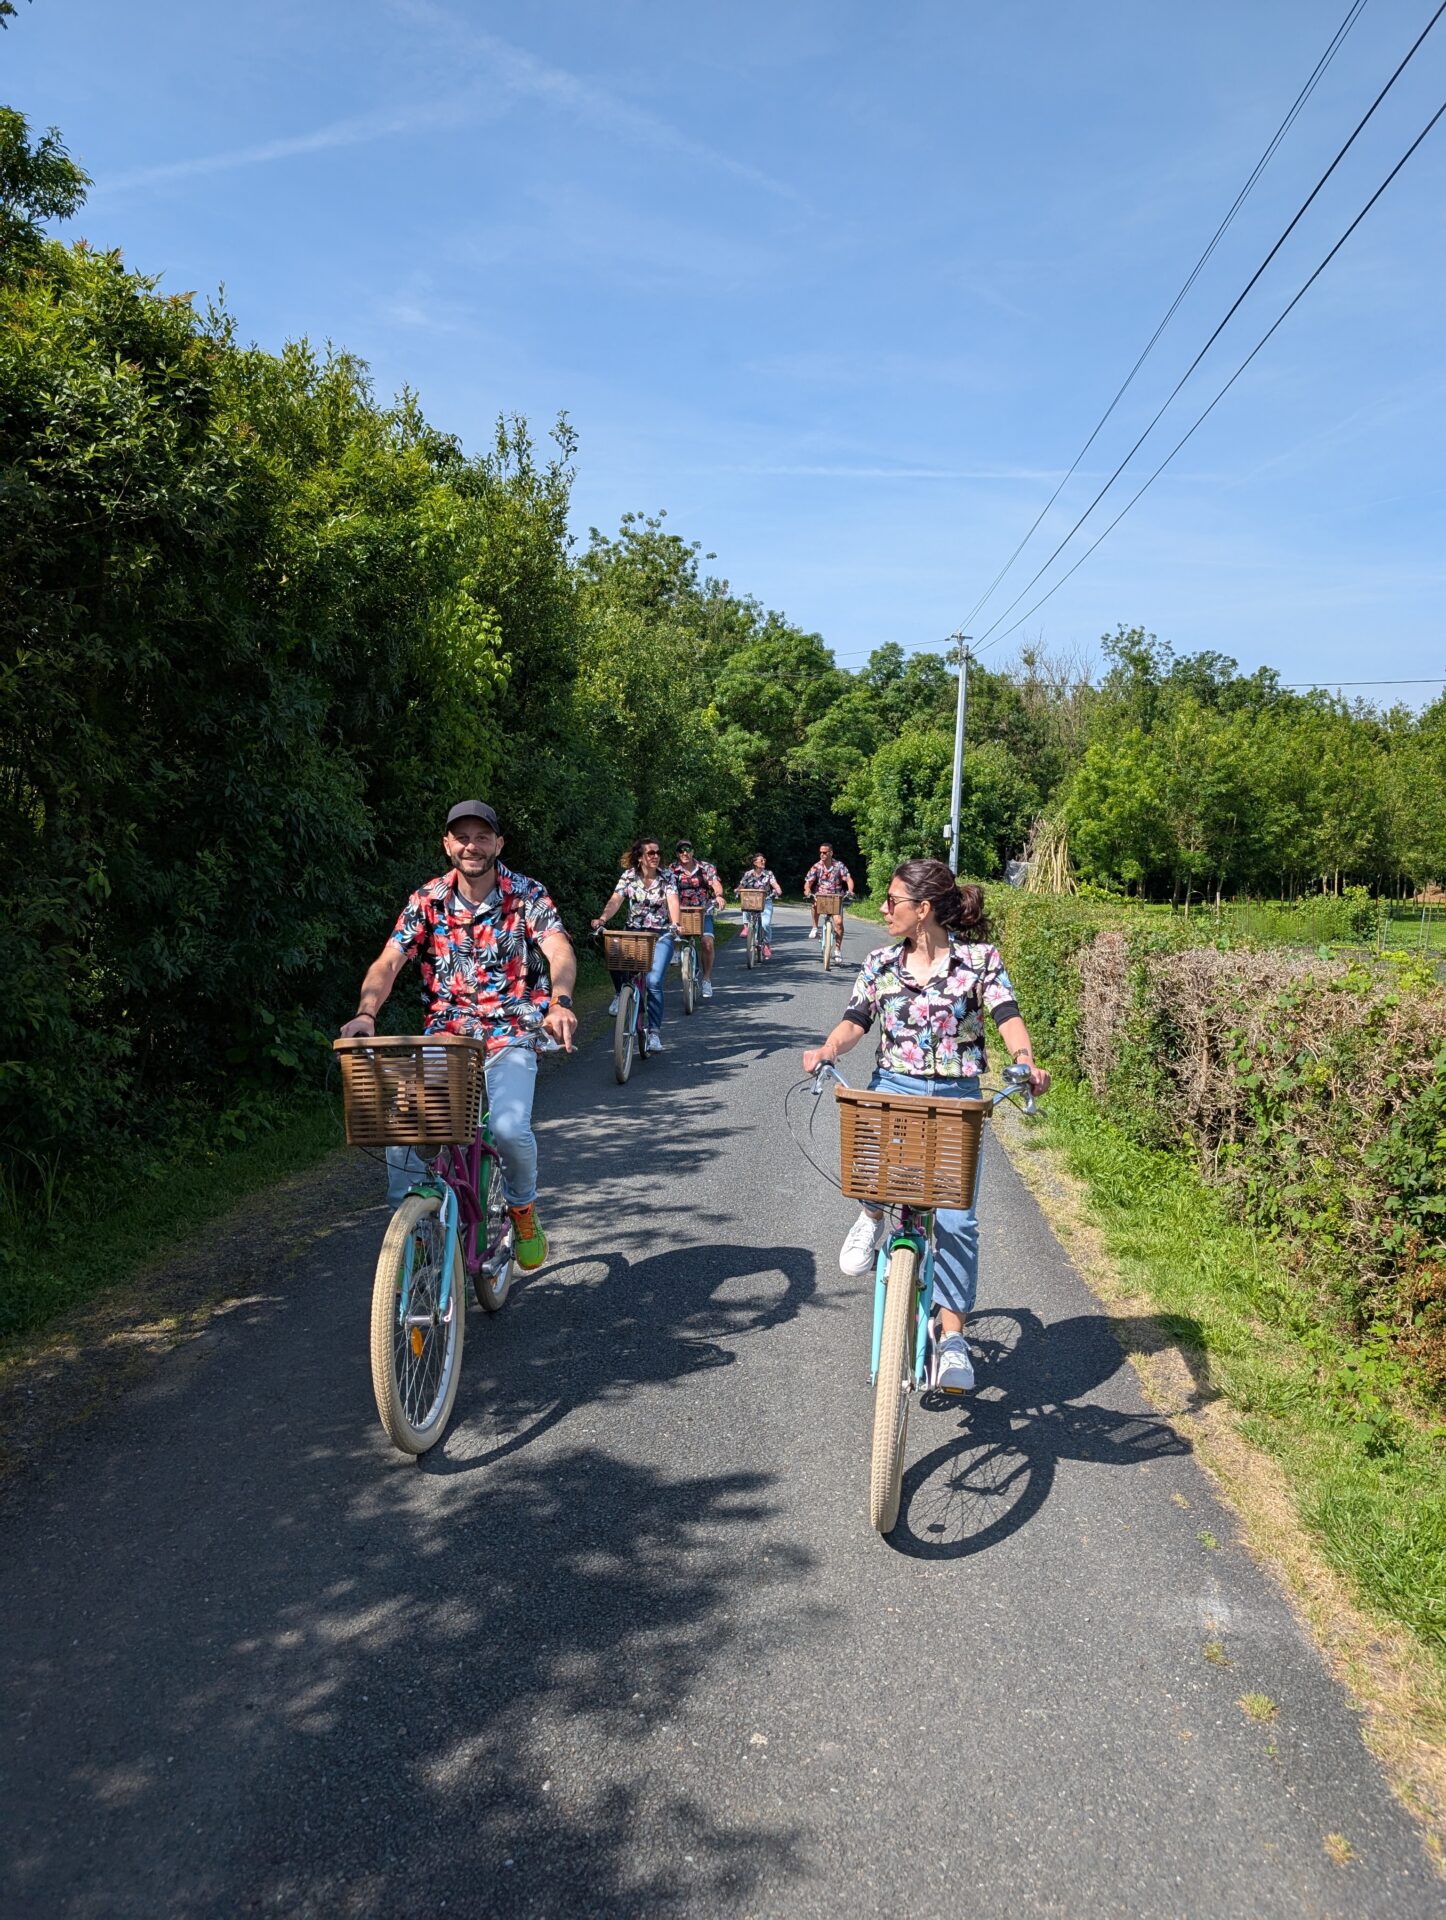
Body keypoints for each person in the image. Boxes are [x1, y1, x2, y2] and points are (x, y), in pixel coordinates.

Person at [800, 859, 1049, 1393]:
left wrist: (1025, 1061)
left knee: (957, 1218)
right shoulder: (880, 963)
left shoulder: (979, 961)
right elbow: (855, 1021)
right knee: (878, 1173)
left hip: (958, 1097)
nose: (884, 908)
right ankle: (870, 1216)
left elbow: (1007, 1017)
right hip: (896, 1087)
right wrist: (827, 1048)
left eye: (893, 901)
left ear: (924, 909)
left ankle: (953, 1336)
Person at [340, 801, 578, 1272]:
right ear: (448, 844)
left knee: (509, 1130)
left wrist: (561, 1001)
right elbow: (389, 962)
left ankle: (522, 1208)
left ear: (498, 843)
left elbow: (560, 949)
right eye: (462, 837)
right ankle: (415, 1232)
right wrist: (366, 1013)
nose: (473, 845)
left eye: (482, 836)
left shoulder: (527, 893)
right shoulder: (426, 899)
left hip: (511, 1032)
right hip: (445, 1041)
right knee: (402, 1133)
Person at [592, 833, 681, 1050]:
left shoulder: (667, 876)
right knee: (613, 949)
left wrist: (676, 923)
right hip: (634, 932)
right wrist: (603, 918)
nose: (656, 856)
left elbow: (672, 900)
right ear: (640, 857)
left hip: (661, 934)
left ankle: (654, 1033)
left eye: (658, 852)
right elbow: (616, 899)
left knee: (653, 982)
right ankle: (620, 993)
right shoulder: (628, 877)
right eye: (651, 853)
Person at [668, 839, 727, 998]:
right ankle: (676, 950)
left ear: (693, 851)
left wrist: (719, 896)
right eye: (681, 851)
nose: (684, 853)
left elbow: (715, 883)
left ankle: (706, 980)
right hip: (680, 912)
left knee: (707, 943)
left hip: (703, 911)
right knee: (674, 932)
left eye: (687, 850)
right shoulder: (672, 869)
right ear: (677, 854)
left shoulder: (706, 867)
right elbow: (664, 888)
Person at [803, 842, 855, 948]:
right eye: (820, 852)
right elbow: (808, 882)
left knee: (839, 923)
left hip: (835, 898)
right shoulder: (816, 866)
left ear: (831, 853)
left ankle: (837, 950)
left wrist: (850, 890)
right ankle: (814, 928)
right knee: (814, 903)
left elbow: (848, 879)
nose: (822, 854)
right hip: (821, 897)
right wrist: (807, 890)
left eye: (825, 852)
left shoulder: (839, 865)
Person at [736, 852, 782, 958]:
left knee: (765, 924)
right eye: (761, 860)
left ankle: (766, 944)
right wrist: (737, 890)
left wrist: (778, 890)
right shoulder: (748, 874)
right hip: (751, 901)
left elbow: (775, 884)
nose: (763, 861)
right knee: (745, 903)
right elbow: (742, 885)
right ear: (755, 863)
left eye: (764, 860)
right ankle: (746, 926)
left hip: (766, 901)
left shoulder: (768, 873)